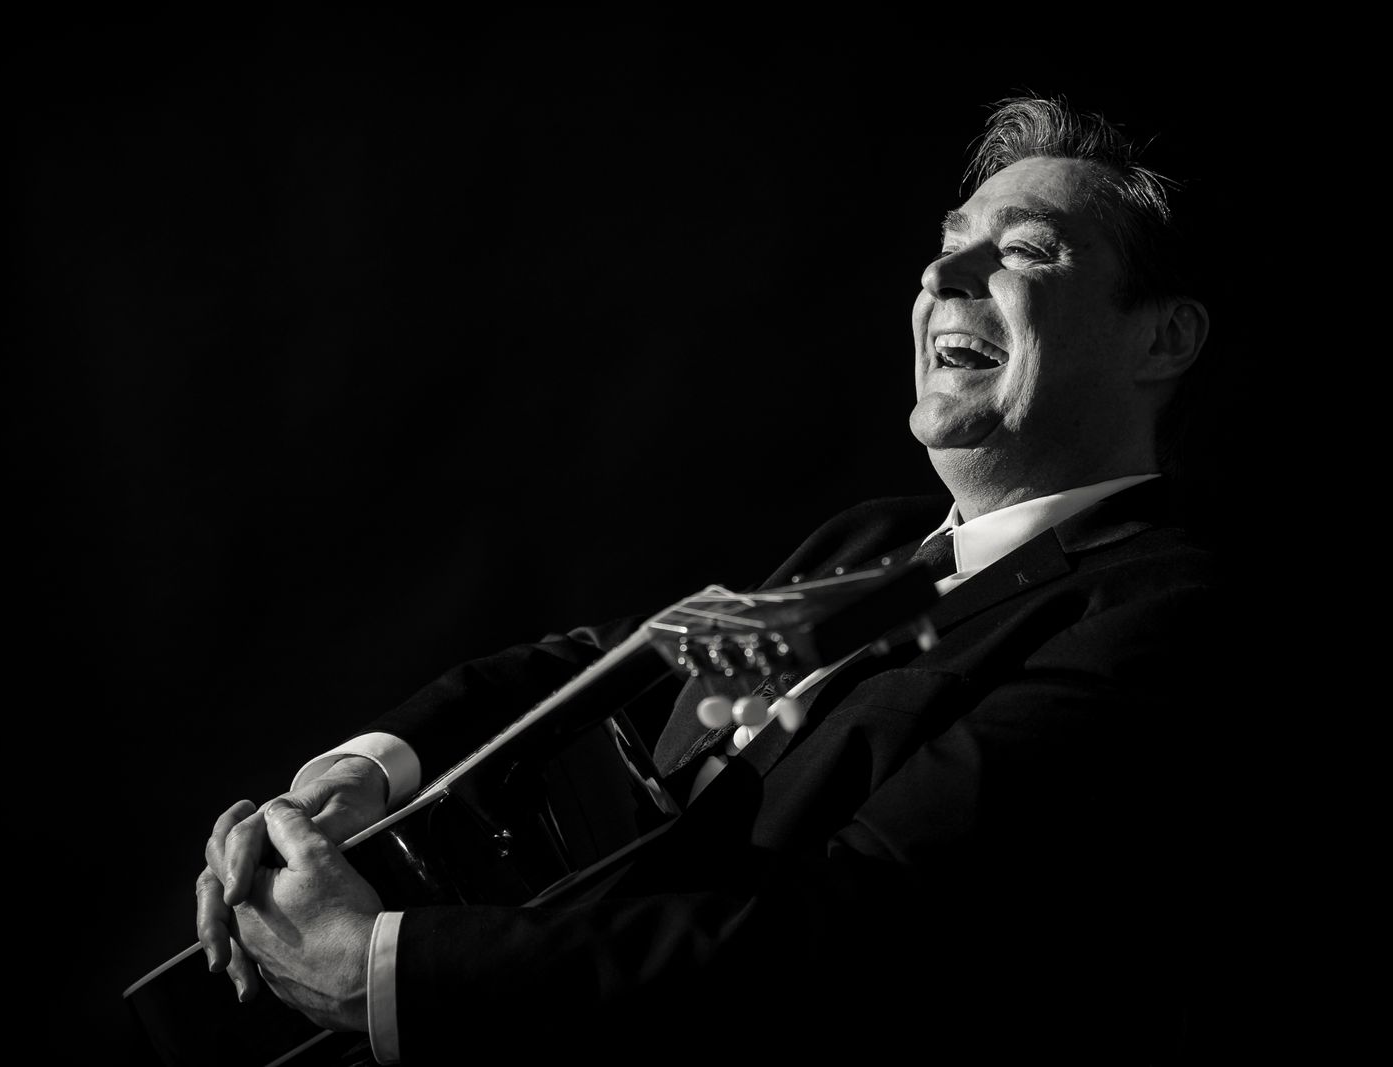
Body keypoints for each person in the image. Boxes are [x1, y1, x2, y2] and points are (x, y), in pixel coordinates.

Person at [194, 94, 1220, 1063]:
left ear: (1163, 337)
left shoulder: (1164, 612)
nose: (943, 273)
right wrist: (364, 774)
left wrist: (387, 969)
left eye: (1026, 250)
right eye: (950, 240)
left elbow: (843, 938)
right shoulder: (882, 547)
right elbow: (616, 670)